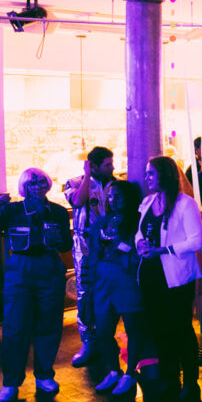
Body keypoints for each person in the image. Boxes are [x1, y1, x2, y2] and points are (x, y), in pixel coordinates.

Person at [0, 167, 73, 402]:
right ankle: (10, 382)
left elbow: (65, 246)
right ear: (24, 187)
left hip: (50, 269)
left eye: (42, 182)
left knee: (49, 324)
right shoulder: (11, 210)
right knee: (15, 326)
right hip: (20, 269)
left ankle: (44, 376)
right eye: (32, 183)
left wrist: (60, 238)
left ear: (48, 185)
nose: (38, 186)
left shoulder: (59, 212)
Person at [136, 156, 202, 402]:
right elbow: (139, 233)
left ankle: (190, 382)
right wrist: (141, 244)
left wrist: (162, 250)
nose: (147, 178)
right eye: (146, 173)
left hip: (176, 278)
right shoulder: (147, 203)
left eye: (151, 174)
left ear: (164, 175)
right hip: (151, 275)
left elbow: (195, 241)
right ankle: (170, 377)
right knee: (159, 329)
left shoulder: (186, 205)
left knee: (181, 329)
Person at [87, 180, 155, 398]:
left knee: (133, 329)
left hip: (127, 281)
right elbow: (92, 252)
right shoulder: (103, 222)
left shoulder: (138, 221)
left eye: (118, 195)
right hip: (103, 281)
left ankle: (130, 374)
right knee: (103, 331)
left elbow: (142, 252)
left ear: (128, 197)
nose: (113, 200)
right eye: (110, 196)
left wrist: (125, 250)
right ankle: (114, 370)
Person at [65, 145, 115, 368]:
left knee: (111, 290)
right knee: (85, 293)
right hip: (85, 244)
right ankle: (88, 342)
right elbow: (77, 201)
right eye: (107, 164)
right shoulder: (75, 181)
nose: (112, 167)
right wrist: (87, 175)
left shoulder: (116, 184)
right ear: (93, 165)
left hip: (112, 244)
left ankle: (107, 338)